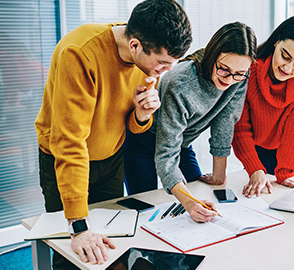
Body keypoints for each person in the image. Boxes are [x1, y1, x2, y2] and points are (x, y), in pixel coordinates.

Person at [34, 0, 192, 268]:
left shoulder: (146, 60)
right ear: (135, 46)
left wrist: (142, 115)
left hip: (110, 159)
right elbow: (69, 142)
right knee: (73, 252)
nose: (166, 71)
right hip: (65, 161)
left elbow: (130, 125)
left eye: (172, 64)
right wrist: (79, 225)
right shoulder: (80, 52)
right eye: (163, 63)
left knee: (110, 247)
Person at [123, 22, 256, 222]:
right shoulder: (181, 83)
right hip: (143, 142)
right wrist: (189, 202)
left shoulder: (239, 77)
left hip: (181, 143)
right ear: (212, 56)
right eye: (224, 70)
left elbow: (225, 120)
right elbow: (166, 154)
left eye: (238, 73)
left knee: (202, 195)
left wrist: (219, 176)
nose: (229, 80)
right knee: (146, 209)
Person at [232, 14, 294, 198]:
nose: (288, 68)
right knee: (264, 201)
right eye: (285, 56)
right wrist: (255, 169)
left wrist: (286, 173)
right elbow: (240, 129)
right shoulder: (248, 72)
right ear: (277, 42)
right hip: (260, 145)